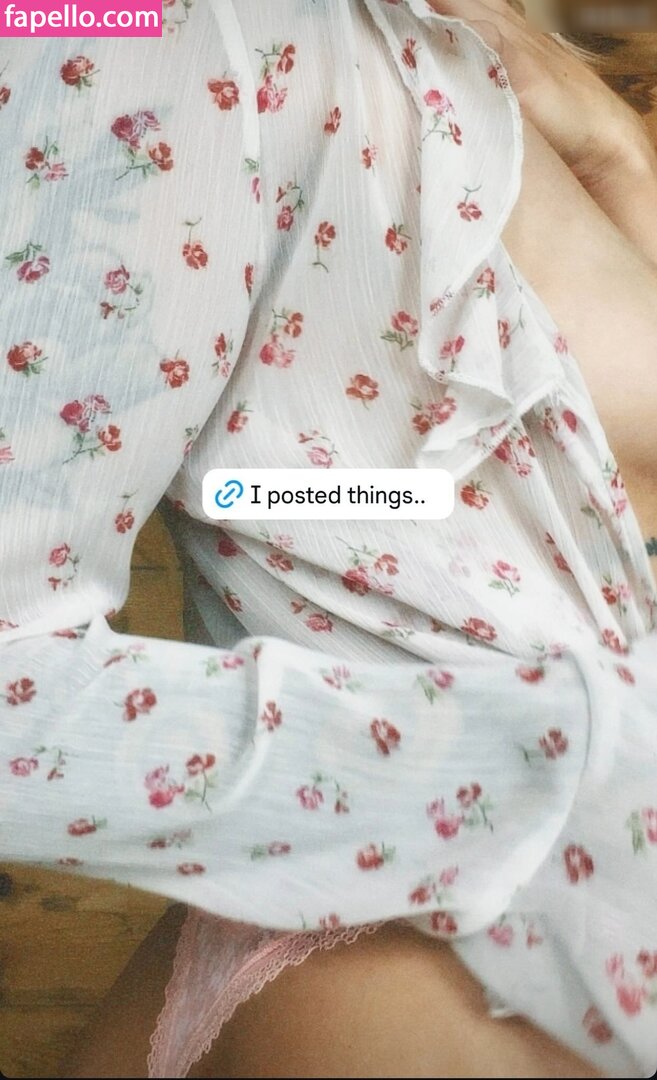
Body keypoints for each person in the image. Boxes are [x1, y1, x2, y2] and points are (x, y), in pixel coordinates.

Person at [1, 1, 656, 1076]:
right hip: (414, 975)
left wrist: (623, 162)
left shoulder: (494, 56)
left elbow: (333, 491)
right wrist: (537, 756)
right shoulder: (180, 31)